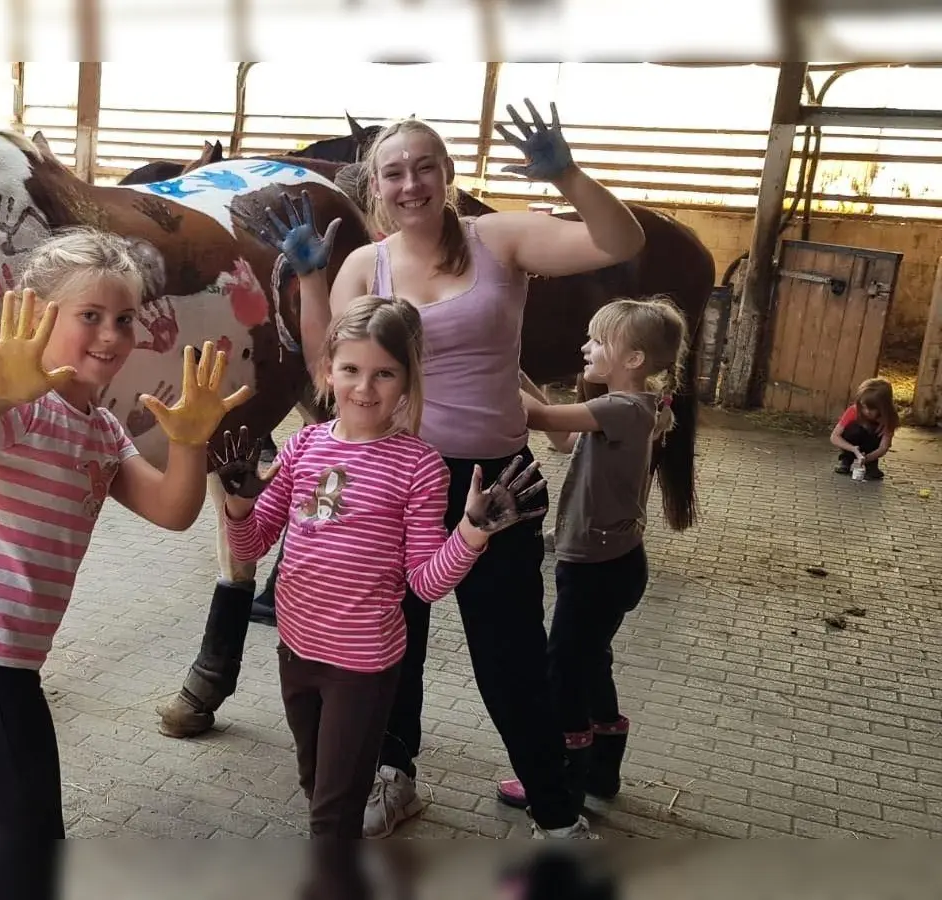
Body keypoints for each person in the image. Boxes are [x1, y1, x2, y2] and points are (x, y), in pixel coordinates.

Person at [256, 98, 647, 838]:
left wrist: (568, 176)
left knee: (510, 654)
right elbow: (326, 370)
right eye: (394, 172)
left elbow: (616, 241)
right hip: (391, 477)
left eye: (424, 167)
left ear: (447, 173)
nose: (411, 184)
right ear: (377, 186)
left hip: (492, 484)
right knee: (388, 642)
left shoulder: (498, 239)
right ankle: (394, 773)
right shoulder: (364, 266)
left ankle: (555, 811)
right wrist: (311, 282)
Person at [0, 227, 251, 838]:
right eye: (91, 315)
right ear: (39, 317)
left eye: (125, 318)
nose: (112, 334)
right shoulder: (22, 409)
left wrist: (190, 442)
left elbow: (172, 510)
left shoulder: (100, 429)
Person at [216, 294, 545, 838]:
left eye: (384, 374)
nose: (364, 389)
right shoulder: (302, 449)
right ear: (327, 370)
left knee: (333, 813)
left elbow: (425, 582)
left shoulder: (421, 466)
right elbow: (251, 546)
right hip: (296, 652)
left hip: (363, 665)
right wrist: (238, 503)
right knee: (315, 783)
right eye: (351, 369)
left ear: (409, 382)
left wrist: (471, 532)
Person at [500, 296, 687, 815]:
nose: (586, 347)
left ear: (633, 359)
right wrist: (518, 371)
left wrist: (491, 361)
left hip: (596, 570)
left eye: (598, 340)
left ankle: (561, 781)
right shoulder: (630, 409)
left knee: (562, 670)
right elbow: (559, 435)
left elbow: (535, 416)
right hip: (614, 564)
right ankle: (602, 771)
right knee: (589, 662)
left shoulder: (622, 408)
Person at [832, 377, 899, 481]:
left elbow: (883, 447)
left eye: (872, 408)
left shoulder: (888, 418)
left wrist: (867, 458)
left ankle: (871, 465)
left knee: (876, 433)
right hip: (852, 446)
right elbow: (834, 437)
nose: (867, 411)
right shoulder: (854, 410)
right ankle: (846, 460)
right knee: (853, 429)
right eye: (864, 406)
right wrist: (853, 449)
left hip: (871, 449)